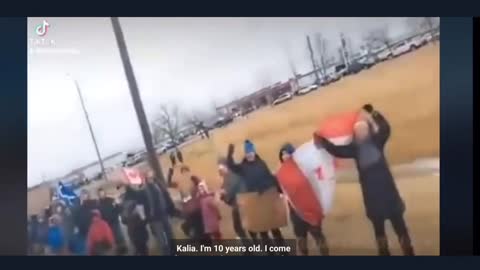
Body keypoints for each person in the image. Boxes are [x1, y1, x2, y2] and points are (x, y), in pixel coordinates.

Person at [314, 104, 414, 256]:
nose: (360, 132)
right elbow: (336, 150)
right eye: (357, 130)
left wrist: (374, 113)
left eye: (363, 128)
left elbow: (385, 128)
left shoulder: (377, 141)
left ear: (368, 129)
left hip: (390, 195)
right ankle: (384, 253)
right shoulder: (353, 149)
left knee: (401, 229)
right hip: (373, 199)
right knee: (380, 233)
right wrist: (322, 141)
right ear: (354, 134)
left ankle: (409, 252)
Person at [226, 140, 286, 252]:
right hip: (256, 202)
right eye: (247, 153)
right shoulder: (243, 167)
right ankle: (270, 252)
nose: (249, 154)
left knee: (274, 228)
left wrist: (279, 191)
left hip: (268, 199)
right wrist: (230, 153)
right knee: (263, 231)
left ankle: (283, 250)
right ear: (245, 154)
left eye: (251, 152)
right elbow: (231, 165)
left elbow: (270, 177)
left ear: (254, 152)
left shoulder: (261, 163)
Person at [278, 143, 329, 256]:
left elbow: (317, 182)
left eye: (288, 153)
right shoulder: (281, 174)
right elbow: (280, 190)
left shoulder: (304, 167)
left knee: (318, 235)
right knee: (301, 238)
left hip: (310, 207)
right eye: (283, 154)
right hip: (295, 212)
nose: (285, 156)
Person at [218, 157, 252, 251]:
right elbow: (225, 191)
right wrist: (223, 194)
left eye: (221, 168)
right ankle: (248, 246)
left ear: (226, 166)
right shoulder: (228, 176)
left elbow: (229, 192)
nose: (220, 170)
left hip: (241, 204)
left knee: (240, 227)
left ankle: (249, 248)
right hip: (240, 204)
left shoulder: (232, 176)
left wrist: (223, 194)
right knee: (241, 227)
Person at [97, 188, 126, 254]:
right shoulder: (98, 204)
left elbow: (118, 209)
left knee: (119, 236)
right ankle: (118, 251)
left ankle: (124, 249)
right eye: (100, 193)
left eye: (102, 193)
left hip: (115, 222)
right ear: (98, 195)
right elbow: (100, 215)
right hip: (107, 225)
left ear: (105, 193)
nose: (102, 194)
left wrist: (118, 206)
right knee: (112, 238)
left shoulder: (110, 200)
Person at [73, 190, 98, 255]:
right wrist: (76, 226)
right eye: (82, 195)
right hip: (82, 231)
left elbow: (96, 214)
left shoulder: (92, 203)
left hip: (92, 229)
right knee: (87, 249)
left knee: (95, 247)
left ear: (88, 196)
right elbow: (75, 218)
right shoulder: (77, 206)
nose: (83, 197)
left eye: (85, 195)